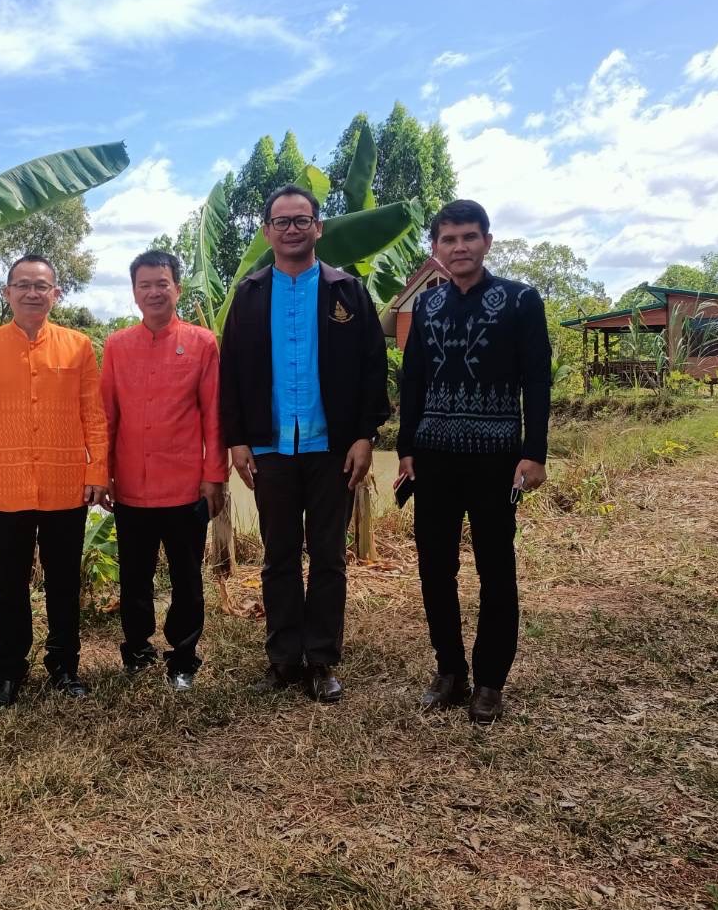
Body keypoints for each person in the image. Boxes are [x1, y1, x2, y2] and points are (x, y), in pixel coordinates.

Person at [219, 184, 390, 703]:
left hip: (331, 448)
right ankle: (283, 658)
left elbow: (372, 367)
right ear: (267, 230)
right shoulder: (250, 294)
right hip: (270, 448)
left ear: (318, 227)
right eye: (282, 221)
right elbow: (231, 372)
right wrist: (237, 440)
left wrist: (364, 435)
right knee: (278, 556)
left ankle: (322, 659)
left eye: (301, 220)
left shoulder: (347, 292)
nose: (291, 229)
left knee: (329, 556)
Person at [397, 198, 551, 725]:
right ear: (435, 247)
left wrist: (534, 452)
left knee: (495, 568)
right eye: (448, 239)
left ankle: (489, 681)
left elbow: (537, 380)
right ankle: (449, 671)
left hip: (496, 458)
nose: (459, 247)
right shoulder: (427, 305)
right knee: (434, 567)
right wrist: (406, 449)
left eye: (468, 237)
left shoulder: (520, 300)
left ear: (487, 241)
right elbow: (413, 379)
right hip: (434, 458)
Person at [0, 254, 109, 707]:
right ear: (7, 293)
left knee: (64, 583)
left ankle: (65, 666)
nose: (32, 293)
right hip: (4, 486)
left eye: (41, 286)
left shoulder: (78, 346)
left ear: (56, 294)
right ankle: (7, 672)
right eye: (22, 285)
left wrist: (97, 471)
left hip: (66, 484)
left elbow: (94, 415)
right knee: (9, 585)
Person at [100, 249, 227, 691]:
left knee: (187, 577)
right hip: (130, 485)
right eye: (145, 285)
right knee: (134, 576)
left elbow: (214, 416)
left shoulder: (202, 343)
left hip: (186, 485)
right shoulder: (117, 346)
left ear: (178, 288)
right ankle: (137, 649)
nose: (154, 292)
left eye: (162, 283)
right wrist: (102, 473)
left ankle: (184, 656)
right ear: (134, 292)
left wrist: (214, 475)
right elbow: (107, 416)